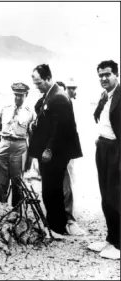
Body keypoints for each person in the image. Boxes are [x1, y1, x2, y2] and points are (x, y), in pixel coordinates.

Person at [28, 64, 83, 236]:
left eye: (39, 83)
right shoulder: (50, 95)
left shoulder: (58, 97)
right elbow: (45, 115)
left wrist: (49, 149)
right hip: (49, 152)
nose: (37, 87)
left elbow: (60, 128)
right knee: (49, 189)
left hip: (54, 153)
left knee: (53, 190)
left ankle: (57, 226)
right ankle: (54, 224)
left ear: (48, 78)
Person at [88, 60, 120, 260]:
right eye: (100, 75)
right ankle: (110, 238)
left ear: (116, 74)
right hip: (103, 147)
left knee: (117, 196)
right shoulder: (104, 96)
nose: (103, 78)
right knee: (106, 196)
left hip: (117, 149)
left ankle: (119, 244)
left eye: (107, 74)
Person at [0, 82, 35, 206]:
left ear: (26, 95)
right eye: (16, 95)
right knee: (0, 182)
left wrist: (30, 157)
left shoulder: (30, 112)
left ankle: (16, 212)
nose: (17, 98)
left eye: (20, 95)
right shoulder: (4, 108)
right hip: (4, 143)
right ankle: (0, 209)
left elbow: (31, 136)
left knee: (17, 182)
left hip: (20, 146)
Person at [59, 79, 87, 236]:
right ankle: (66, 219)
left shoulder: (71, 104)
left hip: (68, 152)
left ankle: (68, 218)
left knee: (67, 185)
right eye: (71, 88)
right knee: (65, 186)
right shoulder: (62, 104)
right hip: (62, 153)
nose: (73, 91)